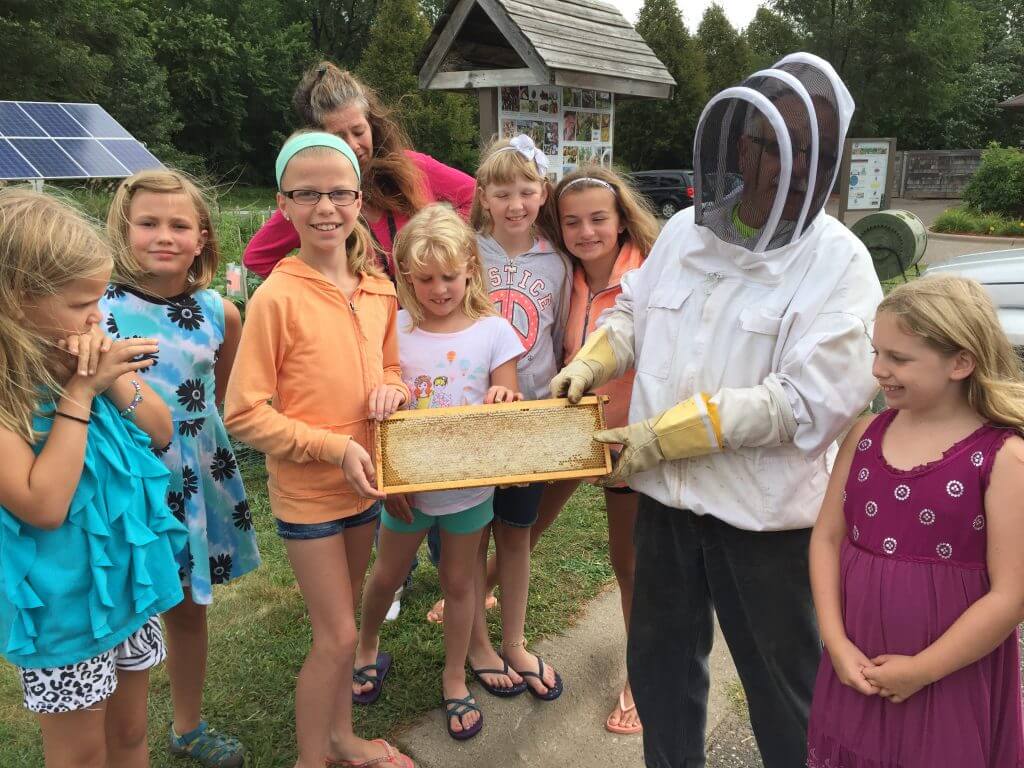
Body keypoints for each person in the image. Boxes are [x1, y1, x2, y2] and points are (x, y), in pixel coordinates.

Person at [551, 53, 883, 768]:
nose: (786, 164)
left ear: (826, 162)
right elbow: (635, 312)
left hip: (764, 524)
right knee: (662, 673)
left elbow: (806, 402)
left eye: (809, 147)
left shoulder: (843, 266)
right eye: (774, 143)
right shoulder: (685, 234)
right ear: (742, 144)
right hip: (666, 513)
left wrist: (661, 438)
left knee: (787, 692)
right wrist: (590, 362)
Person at [224, 132, 413, 768]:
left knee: (345, 633)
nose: (325, 206)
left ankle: (341, 739)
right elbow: (244, 412)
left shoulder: (380, 288)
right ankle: (313, 758)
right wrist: (330, 448)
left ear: (360, 200)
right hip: (309, 497)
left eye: (338, 192)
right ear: (283, 203)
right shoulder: (276, 296)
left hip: (364, 491)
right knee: (336, 635)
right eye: (307, 194)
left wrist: (392, 391)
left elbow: (390, 369)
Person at [0, 188, 186, 767]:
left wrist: (105, 378)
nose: (97, 317)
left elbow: (159, 431)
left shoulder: (82, 355)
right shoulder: (9, 394)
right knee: (80, 754)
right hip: (64, 612)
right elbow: (42, 504)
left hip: (125, 588)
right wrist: (78, 392)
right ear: (17, 299)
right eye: (82, 303)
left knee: (131, 735)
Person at [806, 274, 1024, 768]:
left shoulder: (1003, 459)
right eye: (876, 352)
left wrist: (922, 670)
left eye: (899, 358)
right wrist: (835, 642)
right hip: (854, 661)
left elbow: (1012, 595)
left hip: (947, 675)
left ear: (961, 362)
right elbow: (826, 538)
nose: (879, 370)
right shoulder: (864, 433)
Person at [101, 170, 260, 767]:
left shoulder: (222, 311)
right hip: (122, 484)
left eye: (178, 225)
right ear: (124, 230)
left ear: (202, 240)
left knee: (188, 609)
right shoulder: (95, 308)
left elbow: (219, 392)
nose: (163, 236)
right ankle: (117, 735)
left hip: (193, 477)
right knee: (120, 610)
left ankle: (187, 726)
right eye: (148, 223)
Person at [352, 204, 524, 740]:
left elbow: (510, 396)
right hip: (407, 488)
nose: (439, 288)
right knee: (385, 575)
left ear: (470, 267)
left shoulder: (495, 331)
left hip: (471, 490)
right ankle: (366, 646)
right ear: (405, 277)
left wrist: (503, 396)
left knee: (459, 583)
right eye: (424, 279)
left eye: (449, 276)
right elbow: (373, 405)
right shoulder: (392, 329)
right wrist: (389, 480)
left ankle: (454, 677)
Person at [463, 133, 570, 702]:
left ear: (542, 192)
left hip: (531, 418)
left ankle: (514, 639)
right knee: (473, 531)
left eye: (525, 191)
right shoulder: (466, 253)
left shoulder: (558, 261)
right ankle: (475, 642)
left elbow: (560, 334)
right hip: (476, 417)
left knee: (518, 532)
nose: (514, 205)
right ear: (483, 196)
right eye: (502, 193)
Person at [243, 61, 475, 280]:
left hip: (427, 319)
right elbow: (257, 257)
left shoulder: (413, 167)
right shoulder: (313, 200)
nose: (353, 145)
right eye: (340, 137)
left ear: (372, 125)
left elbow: (476, 196)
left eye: (358, 131)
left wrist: (444, 239)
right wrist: (315, 292)